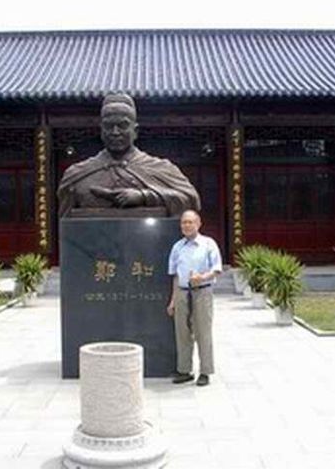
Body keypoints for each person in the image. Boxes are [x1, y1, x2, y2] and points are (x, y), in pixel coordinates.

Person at [57, 93, 201, 217]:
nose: (115, 132)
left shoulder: (161, 168)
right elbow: (65, 222)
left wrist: (144, 196)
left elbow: (191, 200)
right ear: (101, 131)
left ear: (135, 131)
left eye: (122, 125)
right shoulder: (77, 175)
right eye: (109, 126)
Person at [167, 210, 222, 386]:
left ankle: (205, 371)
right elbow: (175, 275)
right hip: (182, 292)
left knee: (202, 333)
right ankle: (185, 370)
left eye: (191, 222)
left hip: (202, 292)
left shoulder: (208, 244)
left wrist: (202, 277)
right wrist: (173, 300)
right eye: (184, 222)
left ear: (198, 224)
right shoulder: (177, 247)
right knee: (182, 333)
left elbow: (217, 269)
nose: (187, 225)